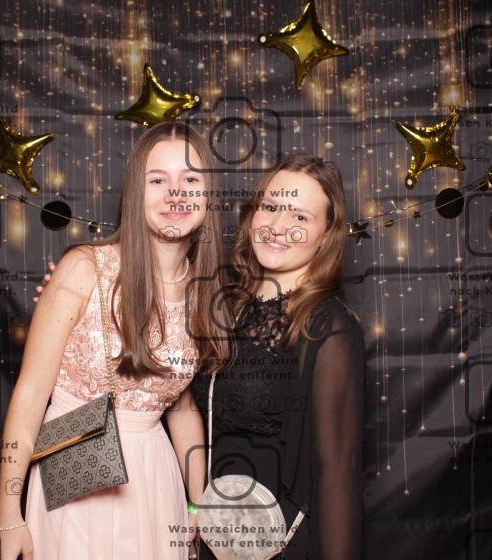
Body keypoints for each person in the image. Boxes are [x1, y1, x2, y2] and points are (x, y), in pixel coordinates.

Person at [0, 121, 233, 560]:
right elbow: (29, 395)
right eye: (157, 180)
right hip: (75, 470)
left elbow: (179, 404)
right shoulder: (84, 269)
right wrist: (7, 513)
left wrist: (197, 502)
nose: (175, 194)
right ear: (136, 193)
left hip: (155, 478)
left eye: (190, 181)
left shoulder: (205, 292)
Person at [190, 155, 365, 559]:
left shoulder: (328, 328)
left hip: (283, 545)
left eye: (300, 217)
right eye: (270, 207)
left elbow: (338, 473)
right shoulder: (226, 306)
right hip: (218, 538)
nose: (279, 226)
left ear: (326, 234)